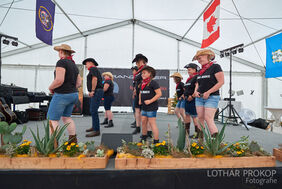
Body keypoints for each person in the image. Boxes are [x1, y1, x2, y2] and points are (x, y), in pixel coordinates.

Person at [47, 44, 82, 143]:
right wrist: (70, 88)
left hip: (62, 95)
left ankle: (53, 145)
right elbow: (79, 83)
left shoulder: (61, 62)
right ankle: (72, 142)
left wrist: (50, 87)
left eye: (59, 52)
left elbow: (59, 80)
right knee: (66, 118)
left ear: (61, 52)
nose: (58, 53)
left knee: (53, 120)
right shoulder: (73, 64)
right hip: (73, 95)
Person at [192, 49, 224, 139]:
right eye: (197, 58)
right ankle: (200, 142)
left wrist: (208, 92)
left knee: (208, 118)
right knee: (200, 118)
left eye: (200, 57)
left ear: (208, 56)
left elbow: (221, 82)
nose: (198, 60)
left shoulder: (215, 67)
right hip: (199, 98)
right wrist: (195, 91)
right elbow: (198, 83)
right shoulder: (200, 70)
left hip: (212, 97)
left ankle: (215, 143)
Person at [139, 66, 162, 144]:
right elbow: (140, 92)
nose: (142, 75)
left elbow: (159, 94)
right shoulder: (142, 83)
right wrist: (139, 100)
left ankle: (156, 141)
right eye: (142, 73)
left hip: (152, 107)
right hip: (144, 107)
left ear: (150, 73)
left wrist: (150, 101)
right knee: (143, 122)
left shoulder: (153, 83)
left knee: (152, 123)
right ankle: (144, 137)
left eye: (144, 73)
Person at [83, 58, 104, 137]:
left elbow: (94, 79)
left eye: (86, 63)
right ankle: (94, 126)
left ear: (91, 63)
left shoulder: (93, 69)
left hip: (96, 91)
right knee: (93, 110)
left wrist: (92, 90)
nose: (85, 65)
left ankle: (96, 130)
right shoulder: (94, 69)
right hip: (97, 91)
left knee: (93, 110)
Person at [131, 54, 148, 135]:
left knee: (145, 112)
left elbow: (146, 81)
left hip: (144, 93)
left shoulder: (146, 69)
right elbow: (136, 81)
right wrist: (135, 89)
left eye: (137, 61)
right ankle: (138, 127)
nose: (136, 63)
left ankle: (148, 130)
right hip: (138, 93)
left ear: (141, 60)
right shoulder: (138, 70)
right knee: (137, 110)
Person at [183, 63, 200, 137]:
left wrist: (192, 96)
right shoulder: (189, 79)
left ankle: (197, 133)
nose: (188, 71)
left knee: (194, 116)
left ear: (194, 69)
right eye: (188, 70)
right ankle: (186, 132)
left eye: (189, 70)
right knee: (187, 115)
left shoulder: (197, 77)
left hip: (193, 99)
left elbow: (198, 88)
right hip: (187, 99)